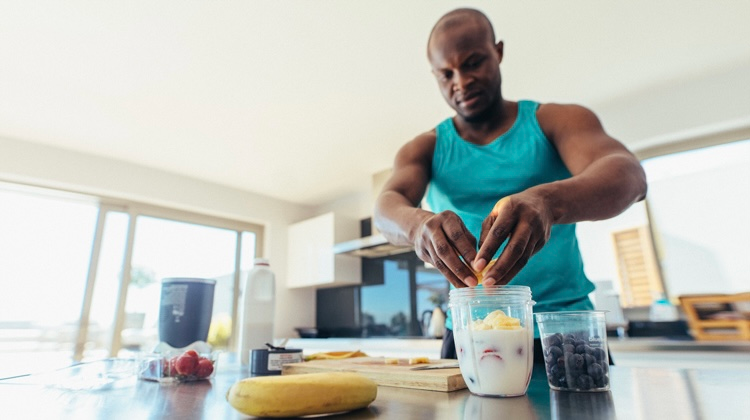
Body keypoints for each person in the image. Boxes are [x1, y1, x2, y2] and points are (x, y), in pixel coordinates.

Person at [373, 8, 647, 362]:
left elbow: (630, 176)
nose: (461, 81)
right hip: (471, 333)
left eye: (473, 62)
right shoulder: (425, 147)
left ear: (497, 52)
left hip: (562, 328)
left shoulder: (555, 120)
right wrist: (416, 226)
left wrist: (549, 201)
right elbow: (385, 207)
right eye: (446, 74)